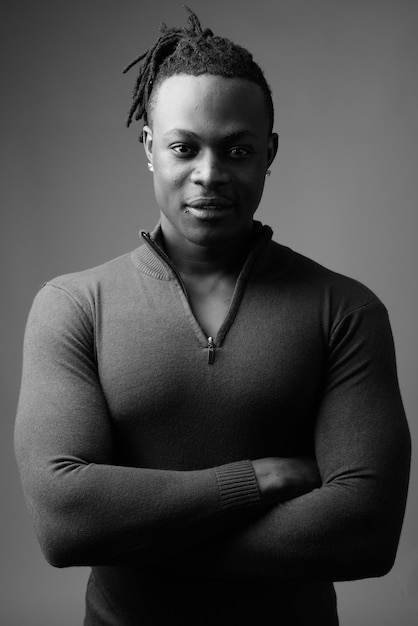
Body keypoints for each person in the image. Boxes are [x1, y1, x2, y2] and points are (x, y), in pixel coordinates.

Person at [15, 7, 411, 626]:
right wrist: (251, 481)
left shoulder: (345, 309)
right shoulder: (72, 306)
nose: (209, 174)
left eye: (236, 149)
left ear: (269, 152)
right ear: (149, 148)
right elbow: (65, 520)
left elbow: (365, 530)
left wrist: (138, 535)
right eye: (183, 147)